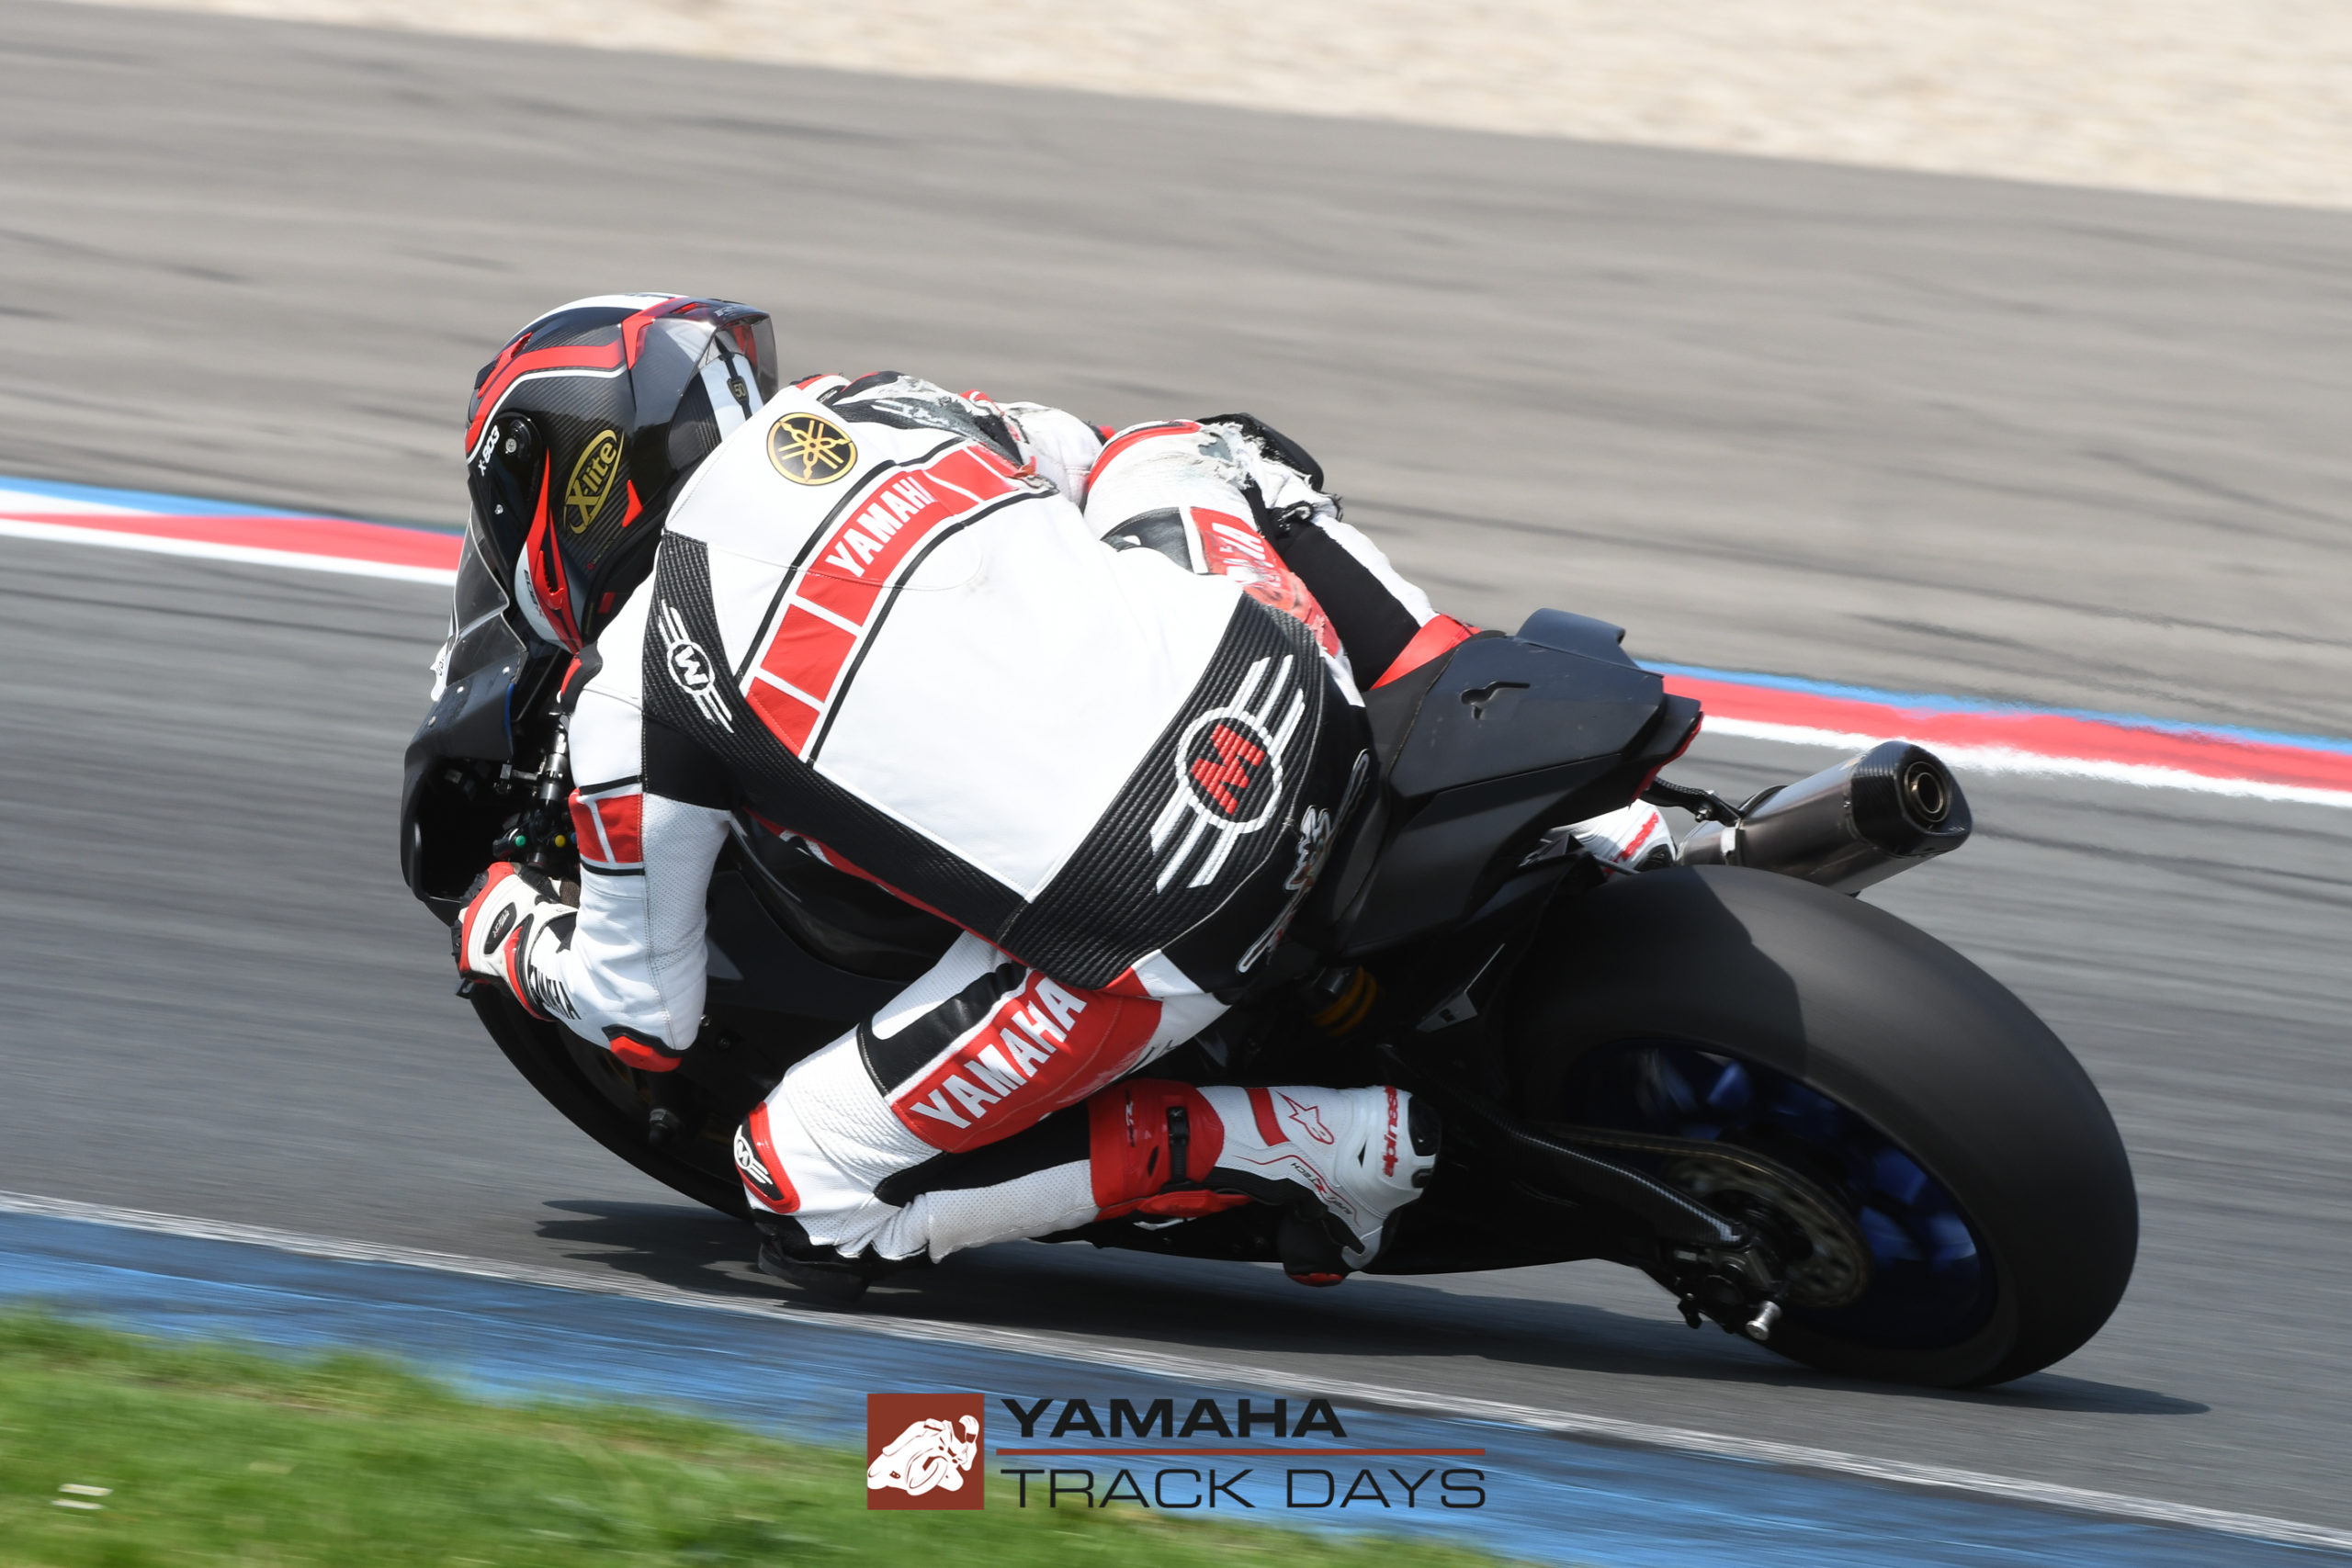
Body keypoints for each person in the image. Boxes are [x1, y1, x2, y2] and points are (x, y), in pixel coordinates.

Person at [448, 294, 1670, 1292]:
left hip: (1168, 910)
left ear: (569, 483)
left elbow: (640, 1015)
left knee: (805, 1187)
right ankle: (1509, 737)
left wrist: (501, 924)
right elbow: (1081, 455)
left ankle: (1307, 1143)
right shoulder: (870, 403)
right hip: (1295, 685)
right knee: (1180, 447)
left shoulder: (629, 697)